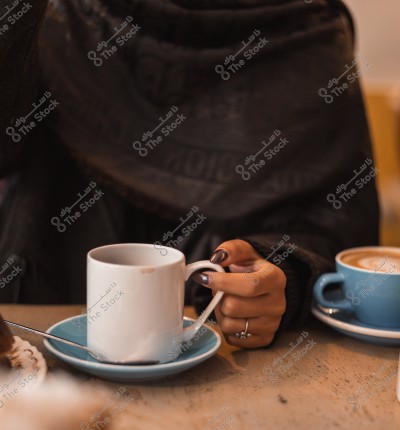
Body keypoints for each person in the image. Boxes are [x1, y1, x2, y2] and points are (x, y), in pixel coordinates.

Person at [0, 0, 379, 349]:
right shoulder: (53, 13)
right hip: (40, 347)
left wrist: (280, 276)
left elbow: (337, 227)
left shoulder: (309, 27)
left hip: (238, 362)